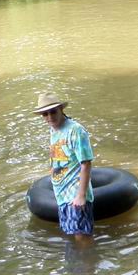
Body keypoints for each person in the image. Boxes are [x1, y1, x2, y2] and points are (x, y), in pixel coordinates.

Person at [33, 93, 95, 245]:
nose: (49, 117)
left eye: (53, 111)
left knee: (81, 236)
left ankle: (89, 266)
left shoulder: (76, 130)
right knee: (71, 234)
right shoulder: (54, 129)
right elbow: (58, 155)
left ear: (61, 109)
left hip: (75, 193)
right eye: (45, 114)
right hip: (61, 193)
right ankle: (78, 265)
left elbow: (86, 163)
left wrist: (81, 195)